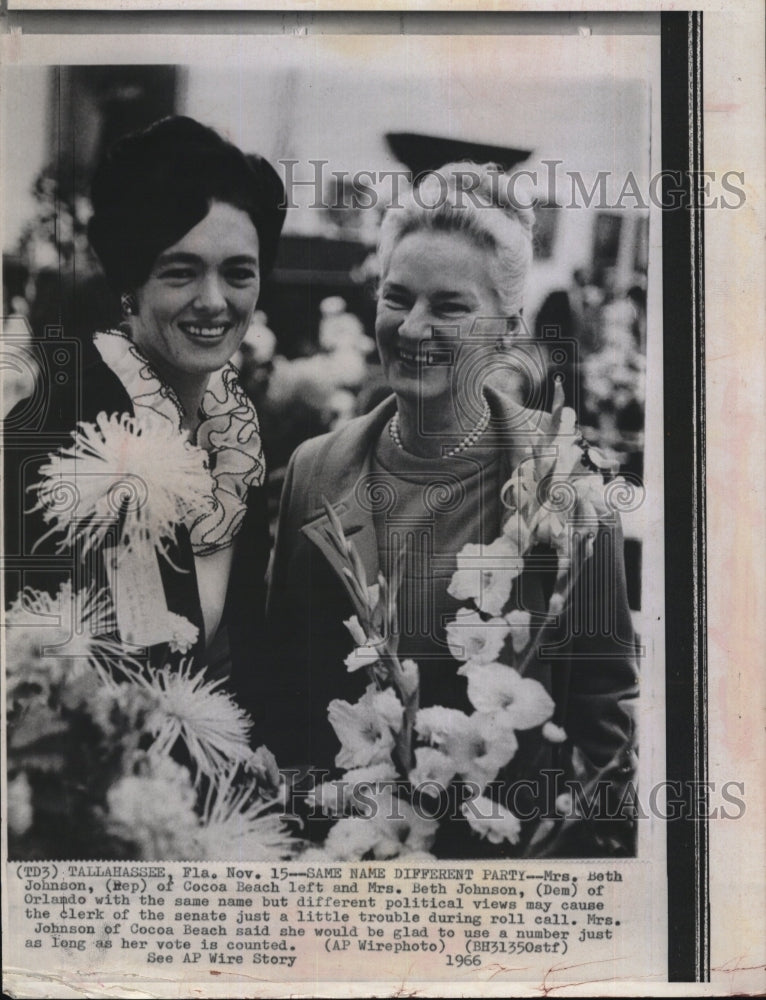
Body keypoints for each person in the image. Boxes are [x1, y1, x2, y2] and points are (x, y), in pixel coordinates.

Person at [266, 163, 638, 858]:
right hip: (331, 869)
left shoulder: (567, 487)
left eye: (450, 307)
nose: (413, 327)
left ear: (509, 327)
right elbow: (280, 690)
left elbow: (604, 730)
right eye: (397, 297)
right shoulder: (315, 470)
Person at [4, 115, 286, 720]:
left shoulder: (235, 436)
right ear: (131, 282)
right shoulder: (54, 427)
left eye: (238, 272)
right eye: (180, 271)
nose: (214, 301)